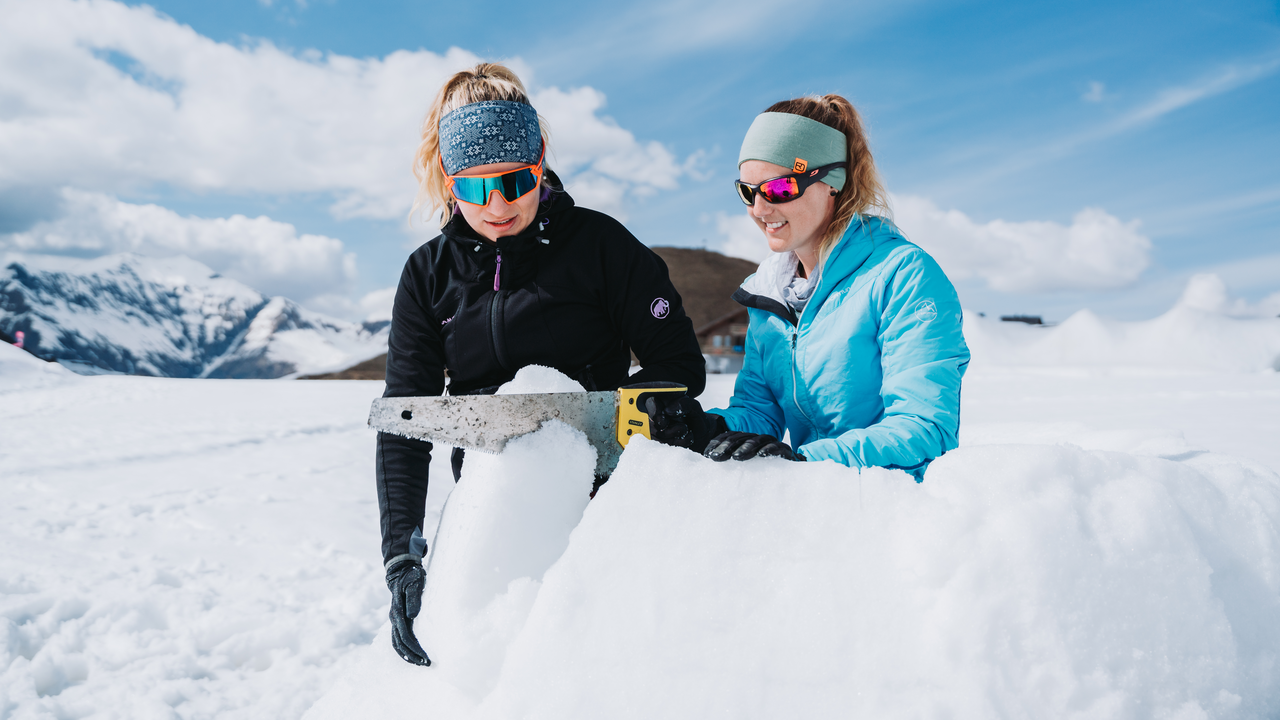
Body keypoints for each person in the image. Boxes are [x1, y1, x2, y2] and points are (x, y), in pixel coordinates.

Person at [377, 63, 705, 666]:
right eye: (474, 187)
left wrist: (644, 412)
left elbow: (678, 362)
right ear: (449, 180)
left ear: (541, 161)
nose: (496, 204)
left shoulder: (601, 246)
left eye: (513, 181)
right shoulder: (428, 276)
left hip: (609, 504)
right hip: (491, 512)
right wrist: (403, 553)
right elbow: (407, 424)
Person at [646, 94, 969, 477]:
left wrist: (804, 461)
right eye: (747, 192)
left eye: (779, 190)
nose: (760, 210)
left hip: (892, 509)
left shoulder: (903, 277)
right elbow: (760, 412)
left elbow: (924, 427)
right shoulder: (768, 295)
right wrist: (709, 429)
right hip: (810, 507)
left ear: (832, 181)